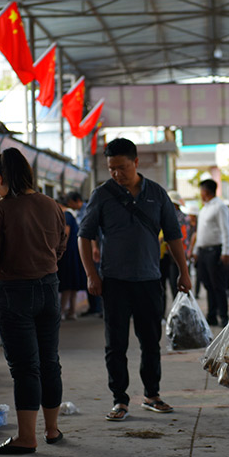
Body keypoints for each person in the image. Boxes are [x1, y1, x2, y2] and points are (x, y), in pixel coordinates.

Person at [78, 138, 192, 421]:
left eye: (122, 167)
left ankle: (152, 394)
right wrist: (91, 275)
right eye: (111, 168)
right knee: (115, 344)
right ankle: (120, 399)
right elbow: (84, 235)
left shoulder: (156, 193)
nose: (116, 174)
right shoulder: (102, 194)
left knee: (150, 341)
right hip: (114, 281)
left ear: (136, 162)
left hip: (150, 279)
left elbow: (174, 235)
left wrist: (184, 271)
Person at [0, 148, 68, 454]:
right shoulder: (52, 205)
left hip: (14, 292)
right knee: (49, 361)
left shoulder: (0, 209)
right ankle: (52, 430)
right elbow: (59, 247)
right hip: (48, 288)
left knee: (26, 367)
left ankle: (27, 438)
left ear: (0, 178)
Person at [193, 179, 229, 326]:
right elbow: (200, 233)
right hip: (203, 251)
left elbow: (225, 229)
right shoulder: (204, 208)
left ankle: (223, 316)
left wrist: (226, 251)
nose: (200, 194)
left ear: (206, 191)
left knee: (218, 286)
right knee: (208, 285)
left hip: (215, 251)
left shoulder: (219, 206)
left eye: (201, 190)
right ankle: (212, 315)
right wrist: (196, 250)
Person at [67, 191, 102, 317]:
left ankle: (98, 307)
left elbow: (89, 232)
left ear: (77, 200)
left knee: (96, 275)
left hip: (93, 247)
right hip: (84, 248)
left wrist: (94, 247)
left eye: (71, 202)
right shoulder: (78, 212)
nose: (70, 205)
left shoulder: (87, 209)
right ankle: (94, 307)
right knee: (90, 275)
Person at [55, 195, 87, 321]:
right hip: (74, 253)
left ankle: (62, 311)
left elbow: (66, 233)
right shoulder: (70, 214)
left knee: (67, 283)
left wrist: (59, 249)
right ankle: (71, 311)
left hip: (68, 254)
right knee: (72, 284)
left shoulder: (66, 215)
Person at [160, 190, 189, 313]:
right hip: (167, 255)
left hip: (173, 256)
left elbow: (181, 238)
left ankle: (177, 313)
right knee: (168, 286)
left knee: (172, 285)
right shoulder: (166, 215)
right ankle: (176, 313)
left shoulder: (179, 217)